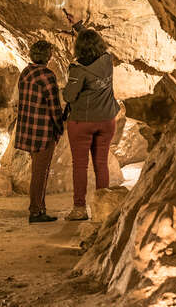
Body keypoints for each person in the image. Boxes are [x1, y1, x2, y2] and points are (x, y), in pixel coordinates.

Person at [62, 29, 120, 221]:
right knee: (101, 163)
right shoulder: (107, 60)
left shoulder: (78, 69)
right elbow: (99, 47)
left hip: (83, 122)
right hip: (106, 119)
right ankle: (103, 208)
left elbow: (69, 96)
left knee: (80, 166)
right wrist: (79, 28)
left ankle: (79, 209)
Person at [14, 40, 64, 223]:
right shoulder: (47, 76)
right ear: (48, 56)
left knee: (37, 171)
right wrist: (60, 128)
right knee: (40, 173)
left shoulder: (25, 73)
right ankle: (35, 211)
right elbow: (54, 106)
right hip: (43, 132)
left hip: (28, 131)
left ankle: (39, 208)